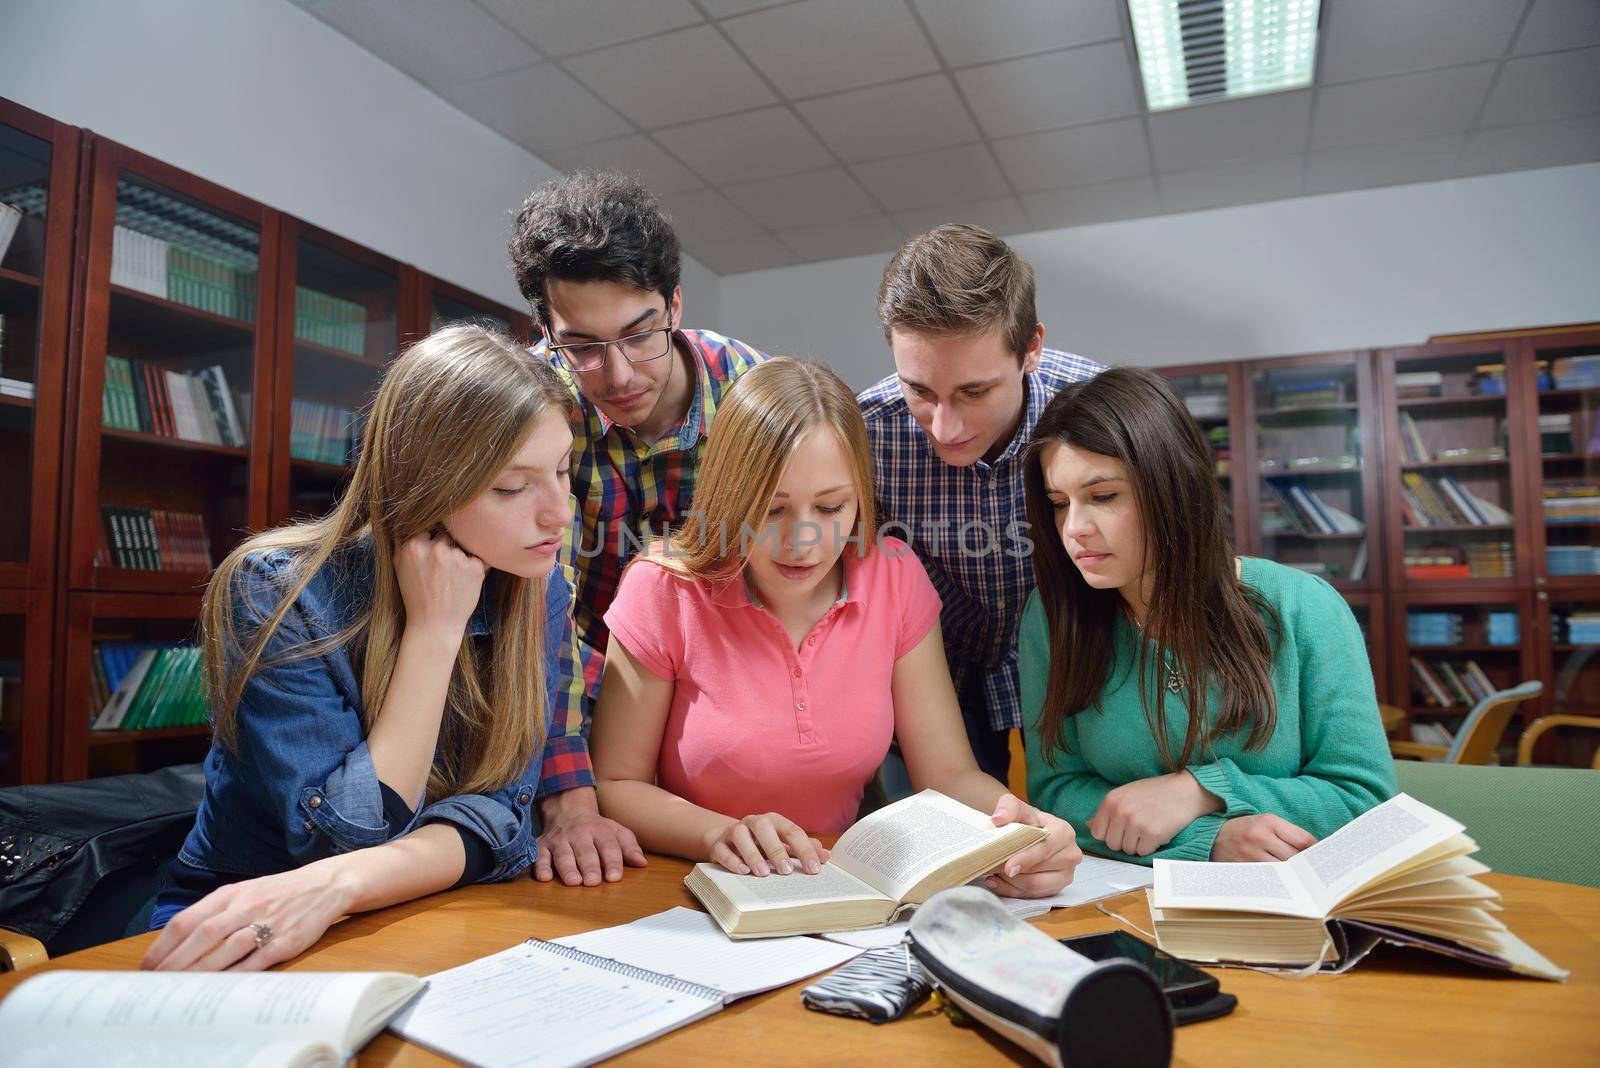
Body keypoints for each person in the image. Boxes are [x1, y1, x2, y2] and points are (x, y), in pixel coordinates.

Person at [143, 325, 602, 971]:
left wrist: (350, 883)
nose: (560, 512)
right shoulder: (278, 589)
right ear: (426, 482)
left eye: (562, 471)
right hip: (250, 925)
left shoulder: (539, 588)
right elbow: (344, 839)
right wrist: (434, 631)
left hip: (419, 912)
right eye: (511, 485)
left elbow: (506, 818)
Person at [591, 358, 1081, 894]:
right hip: (686, 885)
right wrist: (719, 834)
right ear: (729, 498)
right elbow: (615, 784)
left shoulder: (893, 575)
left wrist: (1023, 832)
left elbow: (948, 777)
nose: (803, 540)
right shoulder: (663, 588)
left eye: (830, 508)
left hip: (838, 890)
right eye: (773, 510)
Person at [1019, 367, 1396, 864]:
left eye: (1103, 497)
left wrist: (1199, 790)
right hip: (1133, 910)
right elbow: (1057, 793)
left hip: (1298, 916)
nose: (1074, 529)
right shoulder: (1052, 619)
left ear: (1172, 488)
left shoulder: (1305, 606)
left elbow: (1366, 803)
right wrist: (1207, 839)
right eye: (1059, 504)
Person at [509, 171, 768, 885]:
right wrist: (568, 791)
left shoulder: (754, 397)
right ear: (546, 332)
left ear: (674, 305)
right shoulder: (530, 405)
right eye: (582, 346)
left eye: (638, 335)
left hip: (714, 705)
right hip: (560, 697)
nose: (617, 374)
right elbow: (537, 602)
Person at [858, 224, 1103, 785]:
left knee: (1092, 832)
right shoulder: (867, 430)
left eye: (974, 391)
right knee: (941, 846)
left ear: (1031, 348)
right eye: (919, 391)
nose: (946, 428)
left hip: (1079, 653)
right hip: (933, 668)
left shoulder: (1095, 408)